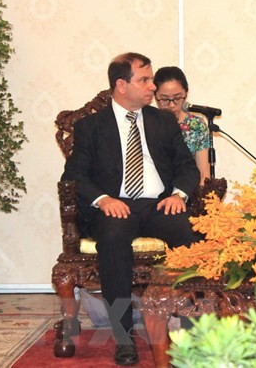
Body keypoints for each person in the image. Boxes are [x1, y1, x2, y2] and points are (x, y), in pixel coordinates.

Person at [62, 52, 199, 366]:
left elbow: (186, 168)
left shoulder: (162, 121)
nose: (152, 87)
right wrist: (103, 200)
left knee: (190, 232)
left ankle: (194, 328)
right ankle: (124, 337)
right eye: (145, 80)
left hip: (158, 205)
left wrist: (178, 194)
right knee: (112, 239)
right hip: (115, 207)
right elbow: (74, 176)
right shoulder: (91, 127)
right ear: (121, 85)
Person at [153, 66, 210, 185]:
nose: (172, 105)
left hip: (188, 192)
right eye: (164, 99)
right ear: (155, 97)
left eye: (178, 98)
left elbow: (203, 174)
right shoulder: (149, 123)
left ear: (186, 93)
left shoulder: (196, 125)